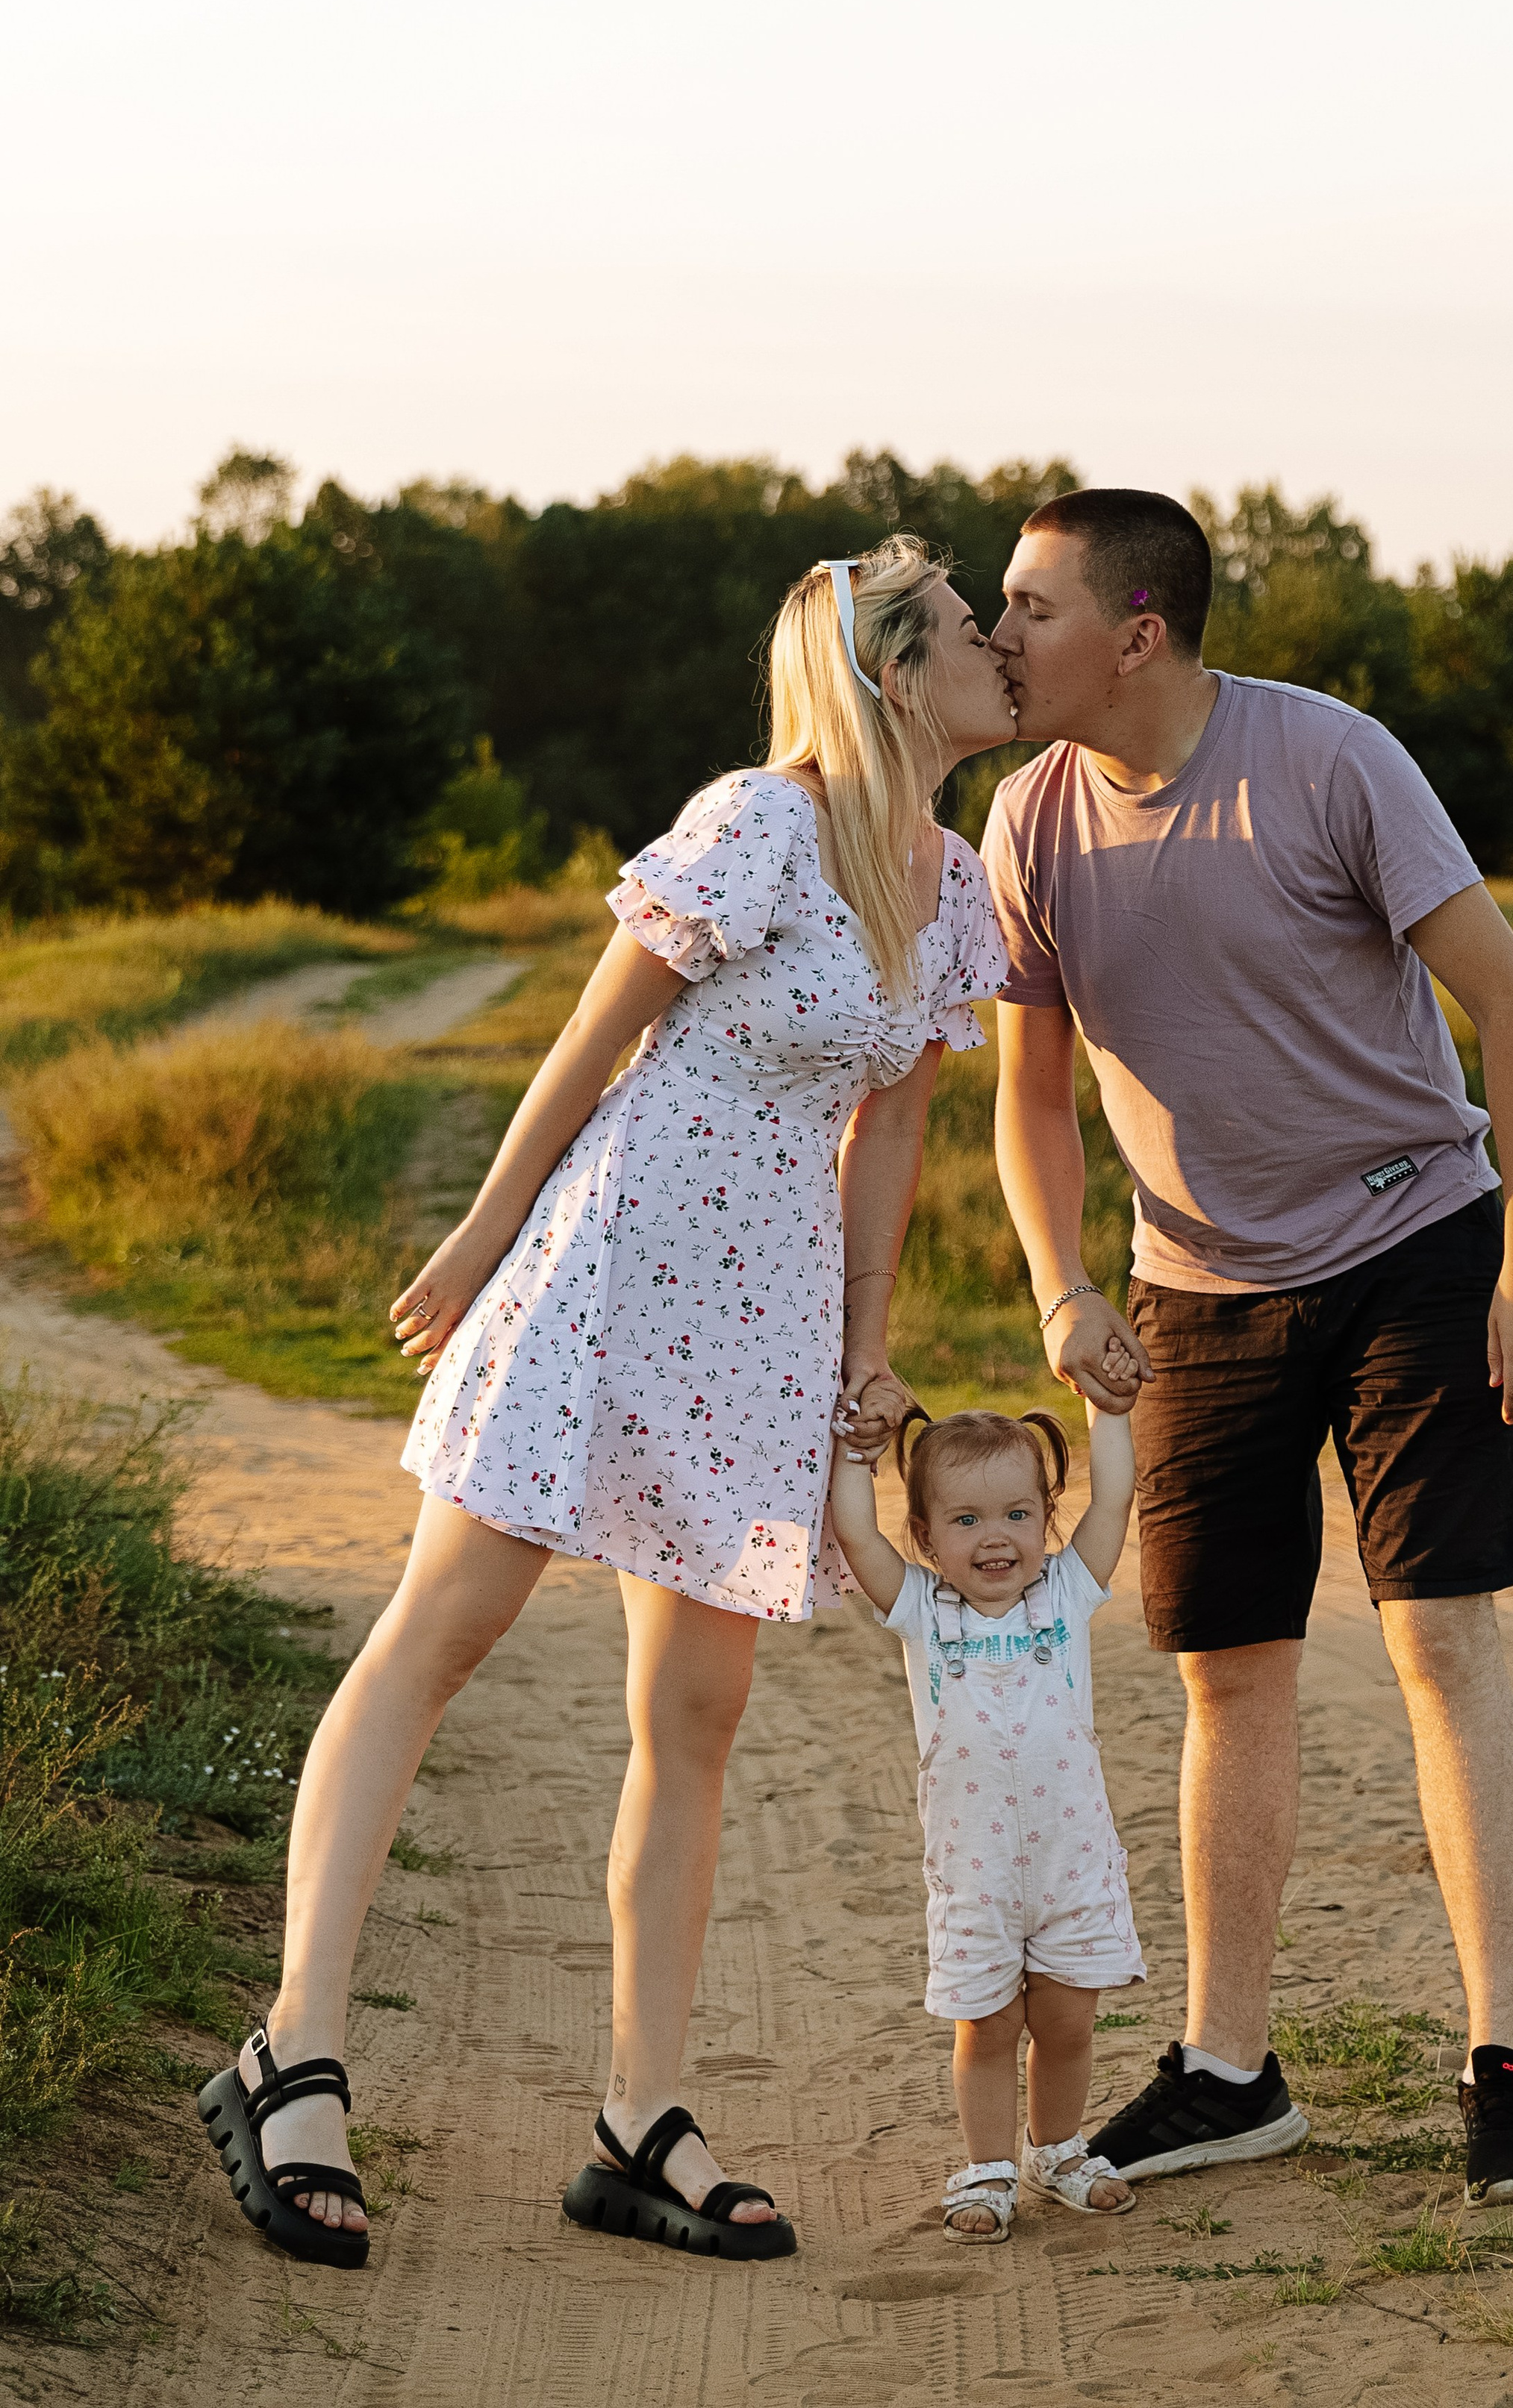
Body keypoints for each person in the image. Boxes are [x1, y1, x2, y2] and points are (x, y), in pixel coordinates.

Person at [196, 536, 1013, 2271]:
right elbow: (590, 1042)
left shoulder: (950, 886)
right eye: (965, 628)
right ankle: (294, 2048)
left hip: (764, 1322)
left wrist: (864, 1352)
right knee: (440, 1633)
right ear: (891, 672)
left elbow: (890, 1129)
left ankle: (640, 2116)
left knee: (697, 1710)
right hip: (610, 1271)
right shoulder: (758, 823)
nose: (997, 646)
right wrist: (480, 1239)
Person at [981, 488, 1513, 2208]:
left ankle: (1500, 2062)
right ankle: (1227, 2069)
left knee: (1434, 1638)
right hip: (1196, 1286)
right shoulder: (1027, 820)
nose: (999, 636)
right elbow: (1032, 1095)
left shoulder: (1326, 761)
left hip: (1415, 1246)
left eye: (1028, 607)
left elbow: (1509, 1003)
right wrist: (1060, 1284)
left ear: (1134, 634)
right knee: (1224, 1669)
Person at [829, 1397, 1168, 2242]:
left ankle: (1056, 2150)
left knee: (1066, 2022)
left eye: (1019, 1514)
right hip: (974, 1875)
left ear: (1045, 1518)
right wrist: (855, 1449)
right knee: (986, 2026)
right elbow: (855, 1534)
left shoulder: (1064, 1594)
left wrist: (1107, 1409)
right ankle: (987, 2167)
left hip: (1070, 1865)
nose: (996, 1537)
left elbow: (1115, 1498)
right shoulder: (921, 1610)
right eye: (967, 1518)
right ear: (925, 1535)